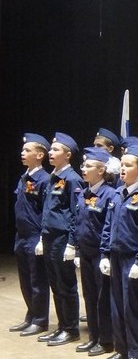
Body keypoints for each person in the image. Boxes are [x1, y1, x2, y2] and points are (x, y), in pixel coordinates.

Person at [100, 146, 138, 359]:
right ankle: (121, 349)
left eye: (128, 165)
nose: (122, 169)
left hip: (133, 258)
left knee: (132, 307)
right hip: (116, 255)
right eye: (122, 164)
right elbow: (108, 225)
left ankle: (137, 352)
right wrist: (105, 253)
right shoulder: (118, 192)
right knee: (116, 304)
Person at [36, 132, 85, 346]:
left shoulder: (72, 179)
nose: (50, 152)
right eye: (51, 149)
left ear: (68, 155)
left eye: (56, 150)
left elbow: (76, 214)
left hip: (62, 238)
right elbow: (47, 210)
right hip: (49, 236)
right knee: (55, 284)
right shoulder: (52, 177)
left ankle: (71, 329)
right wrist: (41, 236)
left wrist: (72, 243)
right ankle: (62, 326)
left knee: (66, 285)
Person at [75, 147, 115, 357]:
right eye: (83, 165)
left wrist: (106, 254)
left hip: (100, 253)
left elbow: (109, 227)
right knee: (89, 295)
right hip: (86, 251)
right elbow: (78, 222)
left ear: (101, 170)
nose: (84, 169)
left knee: (102, 298)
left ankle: (106, 339)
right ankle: (93, 337)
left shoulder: (109, 194)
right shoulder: (84, 193)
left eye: (89, 166)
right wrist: (75, 248)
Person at [10, 133, 51, 337]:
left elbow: (46, 211)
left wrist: (43, 238)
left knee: (38, 280)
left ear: (40, 155)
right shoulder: (24, 177)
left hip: (35, 235)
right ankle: (31, 315)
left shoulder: (44, 180)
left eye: (27, 150)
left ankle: (40, 320)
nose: (22, 153)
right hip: (22, 235)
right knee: (25, 279)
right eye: (23, 150)